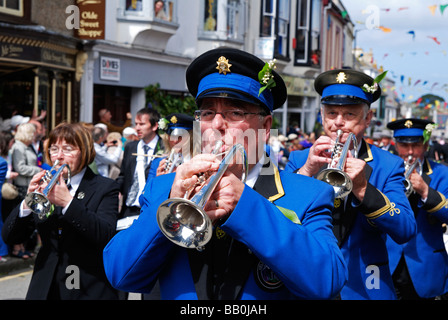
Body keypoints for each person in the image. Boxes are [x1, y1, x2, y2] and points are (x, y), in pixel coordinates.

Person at [103, 47, 347, 300]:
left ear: (264, 127)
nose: (217, 125)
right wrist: (169, 203)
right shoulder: (162, 188)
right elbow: (120, 274)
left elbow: (327, 281)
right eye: (207, 112)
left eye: (235, 112)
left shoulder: (309, 194)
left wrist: (246, 205)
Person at [284, 69, 416, 300]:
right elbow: (278, 221)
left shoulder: (389, 164)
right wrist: (305, 172)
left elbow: (405, 228)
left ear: (367, 118)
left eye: (349, 115)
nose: (338, 123)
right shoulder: (298, 160)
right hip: (307, 280)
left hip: (364, 285)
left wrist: (363, 188)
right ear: (322, 116)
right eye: (331, 112)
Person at [2, 122, 121, 300]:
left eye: (67, 149)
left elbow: (105, 234)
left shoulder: (105, 187)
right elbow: (11, 237)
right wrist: (27, 203)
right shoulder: (45, 185)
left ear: (84, 151)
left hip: (86, 286)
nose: (59, 156)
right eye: (54, 149)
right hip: (45, 284)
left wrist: (68, 203)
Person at [386, 118, 448, 299]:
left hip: (426, 265)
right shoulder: (385, 171)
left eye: (417, 145)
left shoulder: (442, 174)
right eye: (404, 145)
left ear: (427, 145)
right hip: (388, 263)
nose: (410, 152)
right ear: (396, 145)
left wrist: (426, 192)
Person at [116, 108, 164, 218]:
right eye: (136, 124)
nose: (137, 128)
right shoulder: (130, 147)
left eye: (142, 124)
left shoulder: (164, 147)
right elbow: (123, 175)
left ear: (155, 126)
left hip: (152, 209)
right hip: (129, 208)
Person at [9, 122, 42, 259]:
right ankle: (18, 248)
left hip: (29, 185)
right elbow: (20, 168)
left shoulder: (27, 147)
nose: (35, 135)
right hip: (22, 186)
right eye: (33, 132)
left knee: (28, 218)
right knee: (22, 217)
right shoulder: (18, 147)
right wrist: (38, 170)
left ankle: (23, 246)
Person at [156, 112, 195, 176]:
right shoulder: (158, 162)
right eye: (171, 136)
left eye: (180, 136)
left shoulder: (199, 161)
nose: (175, 141)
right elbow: (149, 185)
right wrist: (159, 179)